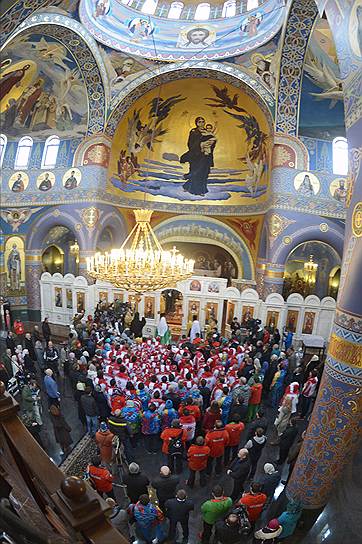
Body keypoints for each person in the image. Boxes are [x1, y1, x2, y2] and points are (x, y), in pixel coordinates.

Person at [180, 116, 216, 196]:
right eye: (199, 122)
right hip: (196, 155)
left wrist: (210, 144)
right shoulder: (194, 131)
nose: (201, 123)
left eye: (203, 121)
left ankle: (199, 190)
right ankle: (192, 189)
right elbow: (190, 144)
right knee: (196, 172)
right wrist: (200, 145)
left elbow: (212, 143)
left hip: (205, 156)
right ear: (196, 123)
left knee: (203, 173)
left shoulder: (207, 132)